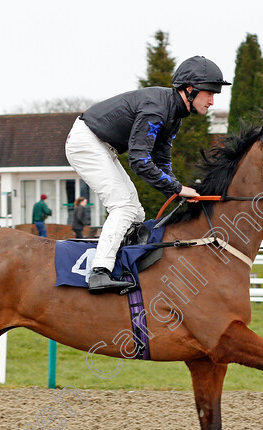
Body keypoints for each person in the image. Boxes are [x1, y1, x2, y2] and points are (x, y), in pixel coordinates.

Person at [65, 56, 230, 293]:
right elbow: (139, 161)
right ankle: (99, 272)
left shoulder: (174, 115)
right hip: (86, 142)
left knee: (137, 211)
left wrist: (177, 191)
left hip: (101, 145)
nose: (212, 101)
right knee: (123, 206)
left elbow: (161, 160)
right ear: (190, 90)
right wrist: (176, 189)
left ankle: (121, 264)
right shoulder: (157, 109)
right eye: (210, 94)